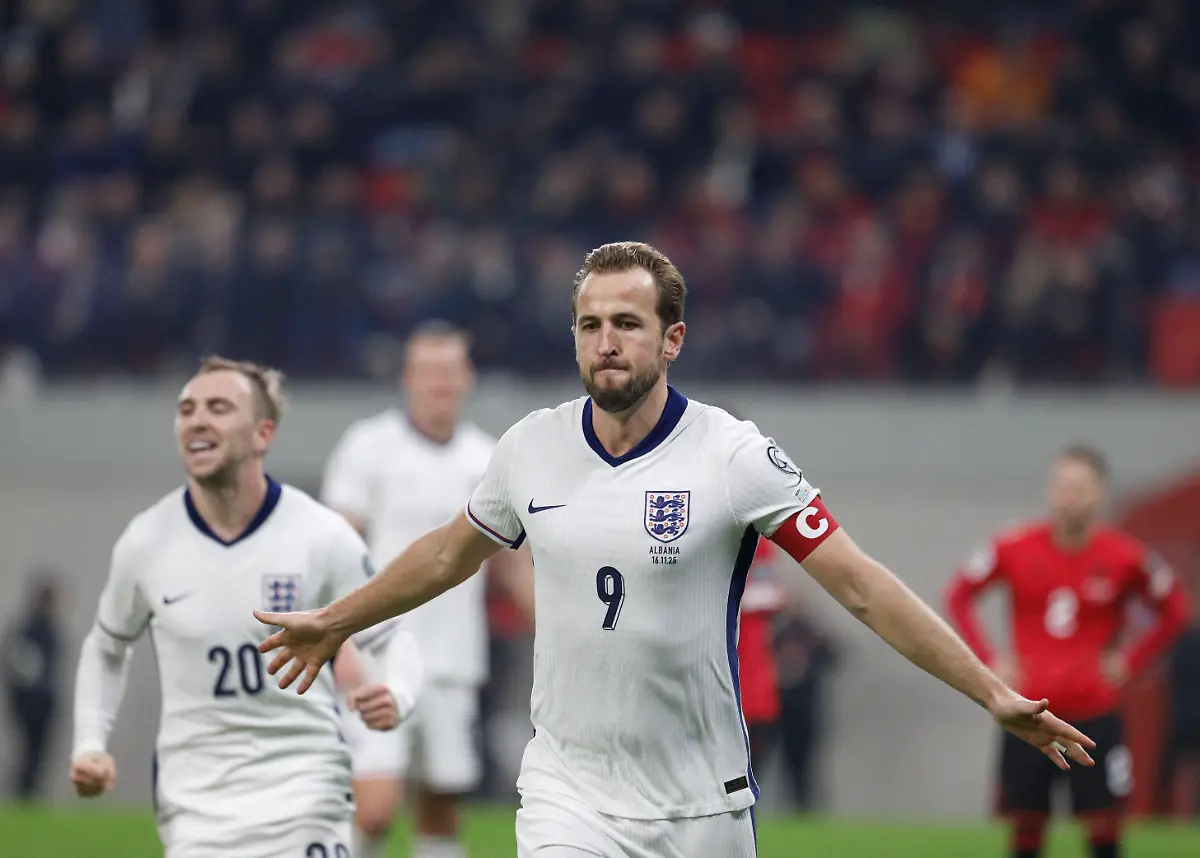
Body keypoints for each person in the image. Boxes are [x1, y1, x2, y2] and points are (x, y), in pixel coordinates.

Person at [255, 241, 1098, 858]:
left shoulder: (733, 457)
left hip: (702, 804)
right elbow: (446, 556)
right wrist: (335, 621)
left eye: (627, 322)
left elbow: (862, 586)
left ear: (673, 340)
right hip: (567, 789)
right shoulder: (527, 448)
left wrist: (990, 693)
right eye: (590, 324)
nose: (606, 341)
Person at [69, 356, 425, 858]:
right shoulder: (146, 542)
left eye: (219, 407)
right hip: (196, 812)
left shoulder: (321, 535)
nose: (197, 419)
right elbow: (107, 646)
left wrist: (398, 691)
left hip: (307, 798)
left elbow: (391, 637)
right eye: (187, 408)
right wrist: (89, 743)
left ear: (263, 434)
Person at [321, 321, 533, 858]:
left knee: (440, 808)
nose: (439, 382)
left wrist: (558, 628)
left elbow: (513, 564)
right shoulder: (368, 446)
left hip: (453, 663)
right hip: (376, 654)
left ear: (467, 377)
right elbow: (333, 552)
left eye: (449, 371)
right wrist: (339, 641)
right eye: (427, 371)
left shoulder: (488, 459)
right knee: (373, 807)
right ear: (407, 378)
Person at [944, 445, 1189, 858]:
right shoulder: (1013, 546)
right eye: (1061, 485)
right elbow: (959, 595)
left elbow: (1174, 608)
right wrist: (991, 660)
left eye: (1080, 486)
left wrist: (1130, 662)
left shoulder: (1124, 555)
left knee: (1104, 831)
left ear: (1100, 494)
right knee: (1025, 829)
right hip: (1028, 713)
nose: (1069, 496)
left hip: (1095, 713)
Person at [3, 568, 63, 801]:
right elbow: (17, 664)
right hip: (31, 704)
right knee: (31, 752)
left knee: (37, 754)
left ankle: (29, 794)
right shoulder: (31, 628)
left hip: (42, 702)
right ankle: (24, 794)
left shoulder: (47, 628)